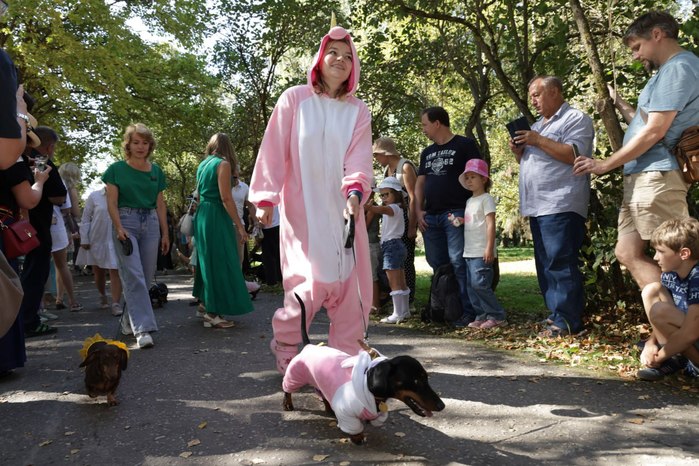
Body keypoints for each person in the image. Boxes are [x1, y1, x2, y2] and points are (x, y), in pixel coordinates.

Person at [249, 25, 373, 375]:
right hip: (303, 212)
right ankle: (287, 351)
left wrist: (355, 193)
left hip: (344, 212)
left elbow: (360, 158)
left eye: (348, 56)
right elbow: (272, 149)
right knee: (306, 288)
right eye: (333, 52)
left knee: (350, 291)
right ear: (320, 58)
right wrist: (265, 197)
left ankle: (345, 363)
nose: (341, 60)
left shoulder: (358, 111)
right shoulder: (294, 99)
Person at [573, 11, 699, 290]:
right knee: (626, 252)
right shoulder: (668, 72)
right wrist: (618, 103)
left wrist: (605, 164)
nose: (635, 56)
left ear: (657, 35)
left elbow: (655, 131)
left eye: (637, 47)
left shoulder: (679, 67)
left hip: (658, 176)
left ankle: (684, 327)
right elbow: (645, 125)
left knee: (675, 256)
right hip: (643, 175)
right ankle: (667, 325)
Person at [509, 76, 594, 337]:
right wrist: (519, 150)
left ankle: (568, 322)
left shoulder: (576, 119)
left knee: (560, 261)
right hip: (537, 205)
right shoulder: (536, 125)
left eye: (537, 94)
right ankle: (557, 316)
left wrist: (537, 140)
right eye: (531, 96)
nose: (532, 100)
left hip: (561, 202)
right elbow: (534, 158)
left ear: (554, 91)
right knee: (545, 263)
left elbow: (574, 155)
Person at [103, 123, 169, 349]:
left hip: (150, 223)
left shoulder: (156, 171)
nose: (141, 147)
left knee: (146, 276)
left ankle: (127, 321)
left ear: (150, 145)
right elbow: (111, 202)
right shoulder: (116, 170)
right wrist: (118, 226)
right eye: (136, 142)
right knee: (134, 276)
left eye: (145, 142)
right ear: (128, 145)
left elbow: (160, 203)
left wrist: (165, 232)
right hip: (126, 221)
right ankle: (143, 330)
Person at [415, 106, 481, 326]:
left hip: (456, 212)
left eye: (425, 124)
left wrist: (476, 208)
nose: (423, 128)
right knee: (438, 264)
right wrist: (418, 210)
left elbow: (479, 175)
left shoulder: (465, 145)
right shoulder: (427, 152)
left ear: (437, 123)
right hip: (430, 216)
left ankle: (469, 312)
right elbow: (421, 182)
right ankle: (445, 310)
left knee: (458, 263)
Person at [0, 112, 49, 377]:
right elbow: (28, 200)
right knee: (6, 292)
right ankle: (5, 357)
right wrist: (40, 181)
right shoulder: (11, 160)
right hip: (3, 229)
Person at [192, 133, 254, 328]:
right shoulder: (223, 164)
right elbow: (226, 198)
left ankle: (204, 303)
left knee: (206, 261)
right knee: (219, 261)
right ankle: (213, 313)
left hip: (203, 215)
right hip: (216, 215)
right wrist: (240, 225)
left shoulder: (203, 165)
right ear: (229, 148)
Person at [637, 217, 699, 381]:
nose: (656, 257)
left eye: (661, 252)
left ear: (684, 253)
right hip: (687, 335)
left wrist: (658, 357)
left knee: (660, 310)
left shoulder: (697, 276)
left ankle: (678, 361)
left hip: (692, 333)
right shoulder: (670, 275)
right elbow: (663, 320)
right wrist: (651, 344)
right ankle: (676, 359)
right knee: (652, 290)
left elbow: (691, 333)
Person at [20, 126, 67, 338]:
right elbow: (59, 196)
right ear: (49, 146)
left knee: (26, 274)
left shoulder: (21, 159)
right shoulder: (42, 163)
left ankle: (26, 318)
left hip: (23, 227)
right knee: (35, 275)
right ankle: (29, 320)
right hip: (37, 228)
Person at [455, 159, 507, 329]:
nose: (469, 180)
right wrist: (461, 221)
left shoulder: (487, 199)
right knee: (472, 286)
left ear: (484, 179)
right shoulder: (470, 201)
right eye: (467, 177)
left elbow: (490, 224)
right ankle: (482, 315)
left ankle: (497, 315)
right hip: (469, 251)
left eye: (473, 177)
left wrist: (489, 248)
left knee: (480, 284)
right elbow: (474, 220)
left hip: (481, 250)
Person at [372, 137, 418, 304]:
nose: (376, 159)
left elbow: (413, 197)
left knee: (405, 260)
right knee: (391, 262)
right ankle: (395, 297)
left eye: (377, 155)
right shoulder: (387, 170)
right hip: (391, 220)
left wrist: (412, 226)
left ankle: (408, 300)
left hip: (405, 217)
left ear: (385, 153)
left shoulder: (405, 167)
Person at [367, 177, 410, 324]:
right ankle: (404, 311)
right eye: (382, 195)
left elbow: (382, 209)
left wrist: (368, 207)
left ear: (396, 194)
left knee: (394, 283)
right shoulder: (396, 208)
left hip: (392, 246)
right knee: (401, 281)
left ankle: (397, 313)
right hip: (395, 246)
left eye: (387, 194)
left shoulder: (393, 208)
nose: (384, 198)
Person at [76, 186, 123, 316]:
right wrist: (84, 238)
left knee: (115, 268)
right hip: (97, 238)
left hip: (115, 238)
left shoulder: (124, 195)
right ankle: (102, 294)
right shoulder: (95, 196)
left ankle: (115, 303)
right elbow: (85, 218)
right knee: (98, 270)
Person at [230, 168, 261, 297]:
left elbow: (250, 205)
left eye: (236, 174)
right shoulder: (224, 185)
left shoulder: (244, 187)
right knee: (226, 258)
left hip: (239, 226)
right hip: (224, 225)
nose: (234, 177)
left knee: (239, 259)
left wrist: (255, 221)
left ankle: (237, 289)